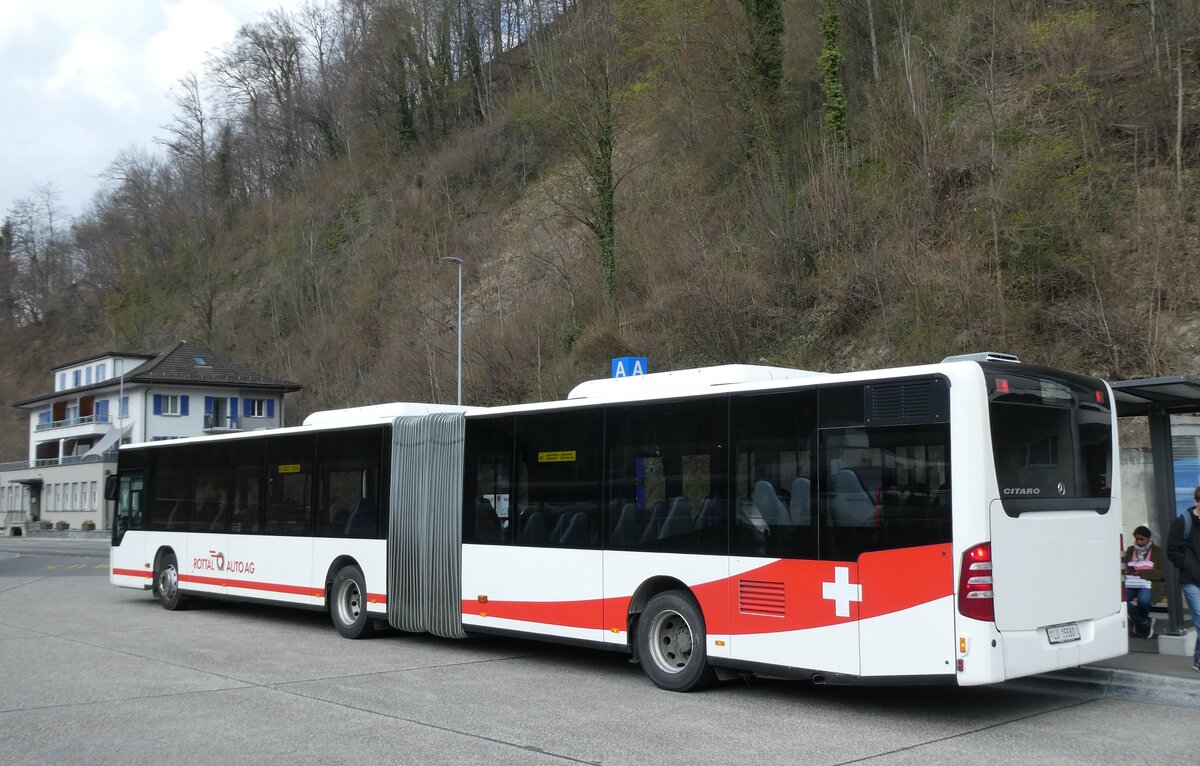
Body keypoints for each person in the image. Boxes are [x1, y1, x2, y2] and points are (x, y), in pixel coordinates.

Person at [1166, 486, 1200, 673]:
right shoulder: (1183, 522)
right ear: (1196, 501)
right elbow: (1172, 550)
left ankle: (1198, 659)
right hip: (1191, 580)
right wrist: (1188, 565)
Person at [1122, 525, 1164, 639]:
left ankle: (1140, 622)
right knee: (1120, 600)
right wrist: (1127, 570)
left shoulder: (1157, 551)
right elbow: (1125, 565)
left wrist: (1142, 573)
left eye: (1142, 539)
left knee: (1144, 600)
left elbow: (1162, 572)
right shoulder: (1131, 550)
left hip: (1148, 583)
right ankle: (1144, 621)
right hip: (1131, 583)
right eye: (1137, 539)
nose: (1139, 542)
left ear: (1149, 538)